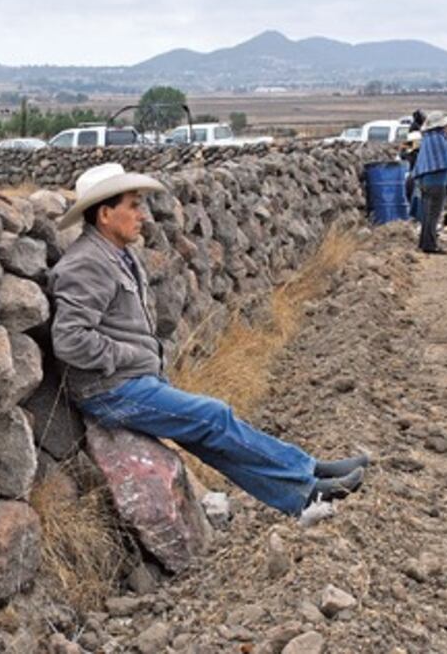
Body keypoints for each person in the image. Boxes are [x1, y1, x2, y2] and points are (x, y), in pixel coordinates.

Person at [48, 163, 368, 518]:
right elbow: (70, 340)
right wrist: (128, 354)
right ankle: (309, 483)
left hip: (129, 382)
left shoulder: (116, 254)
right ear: (106, 214)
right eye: (133, 206)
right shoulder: (86, 264)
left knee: (209, 435)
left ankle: (305, 486)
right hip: (109, 391)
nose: (143, 215)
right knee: (214, 417)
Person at [412, 112, 447, 254]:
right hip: (436, 183)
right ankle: (430, 245)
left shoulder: (427, 138)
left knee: (427, 214)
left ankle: (424, 242)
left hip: (426, 182)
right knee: (433, 215)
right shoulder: (438, 139)